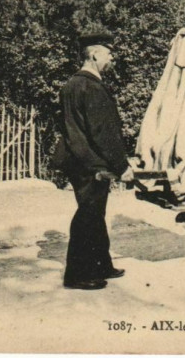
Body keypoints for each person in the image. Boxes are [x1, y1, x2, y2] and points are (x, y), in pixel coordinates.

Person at [57, 30, 134, 290]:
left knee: (95, 214)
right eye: (109, 53)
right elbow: (103, 132)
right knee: (88, 216)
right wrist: (122, 166)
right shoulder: (92, 86)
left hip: (79, 160)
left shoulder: (71, 85)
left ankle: (101, 264)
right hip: (92, 164)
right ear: (95, 54)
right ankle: (77, 275)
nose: (111, 59)